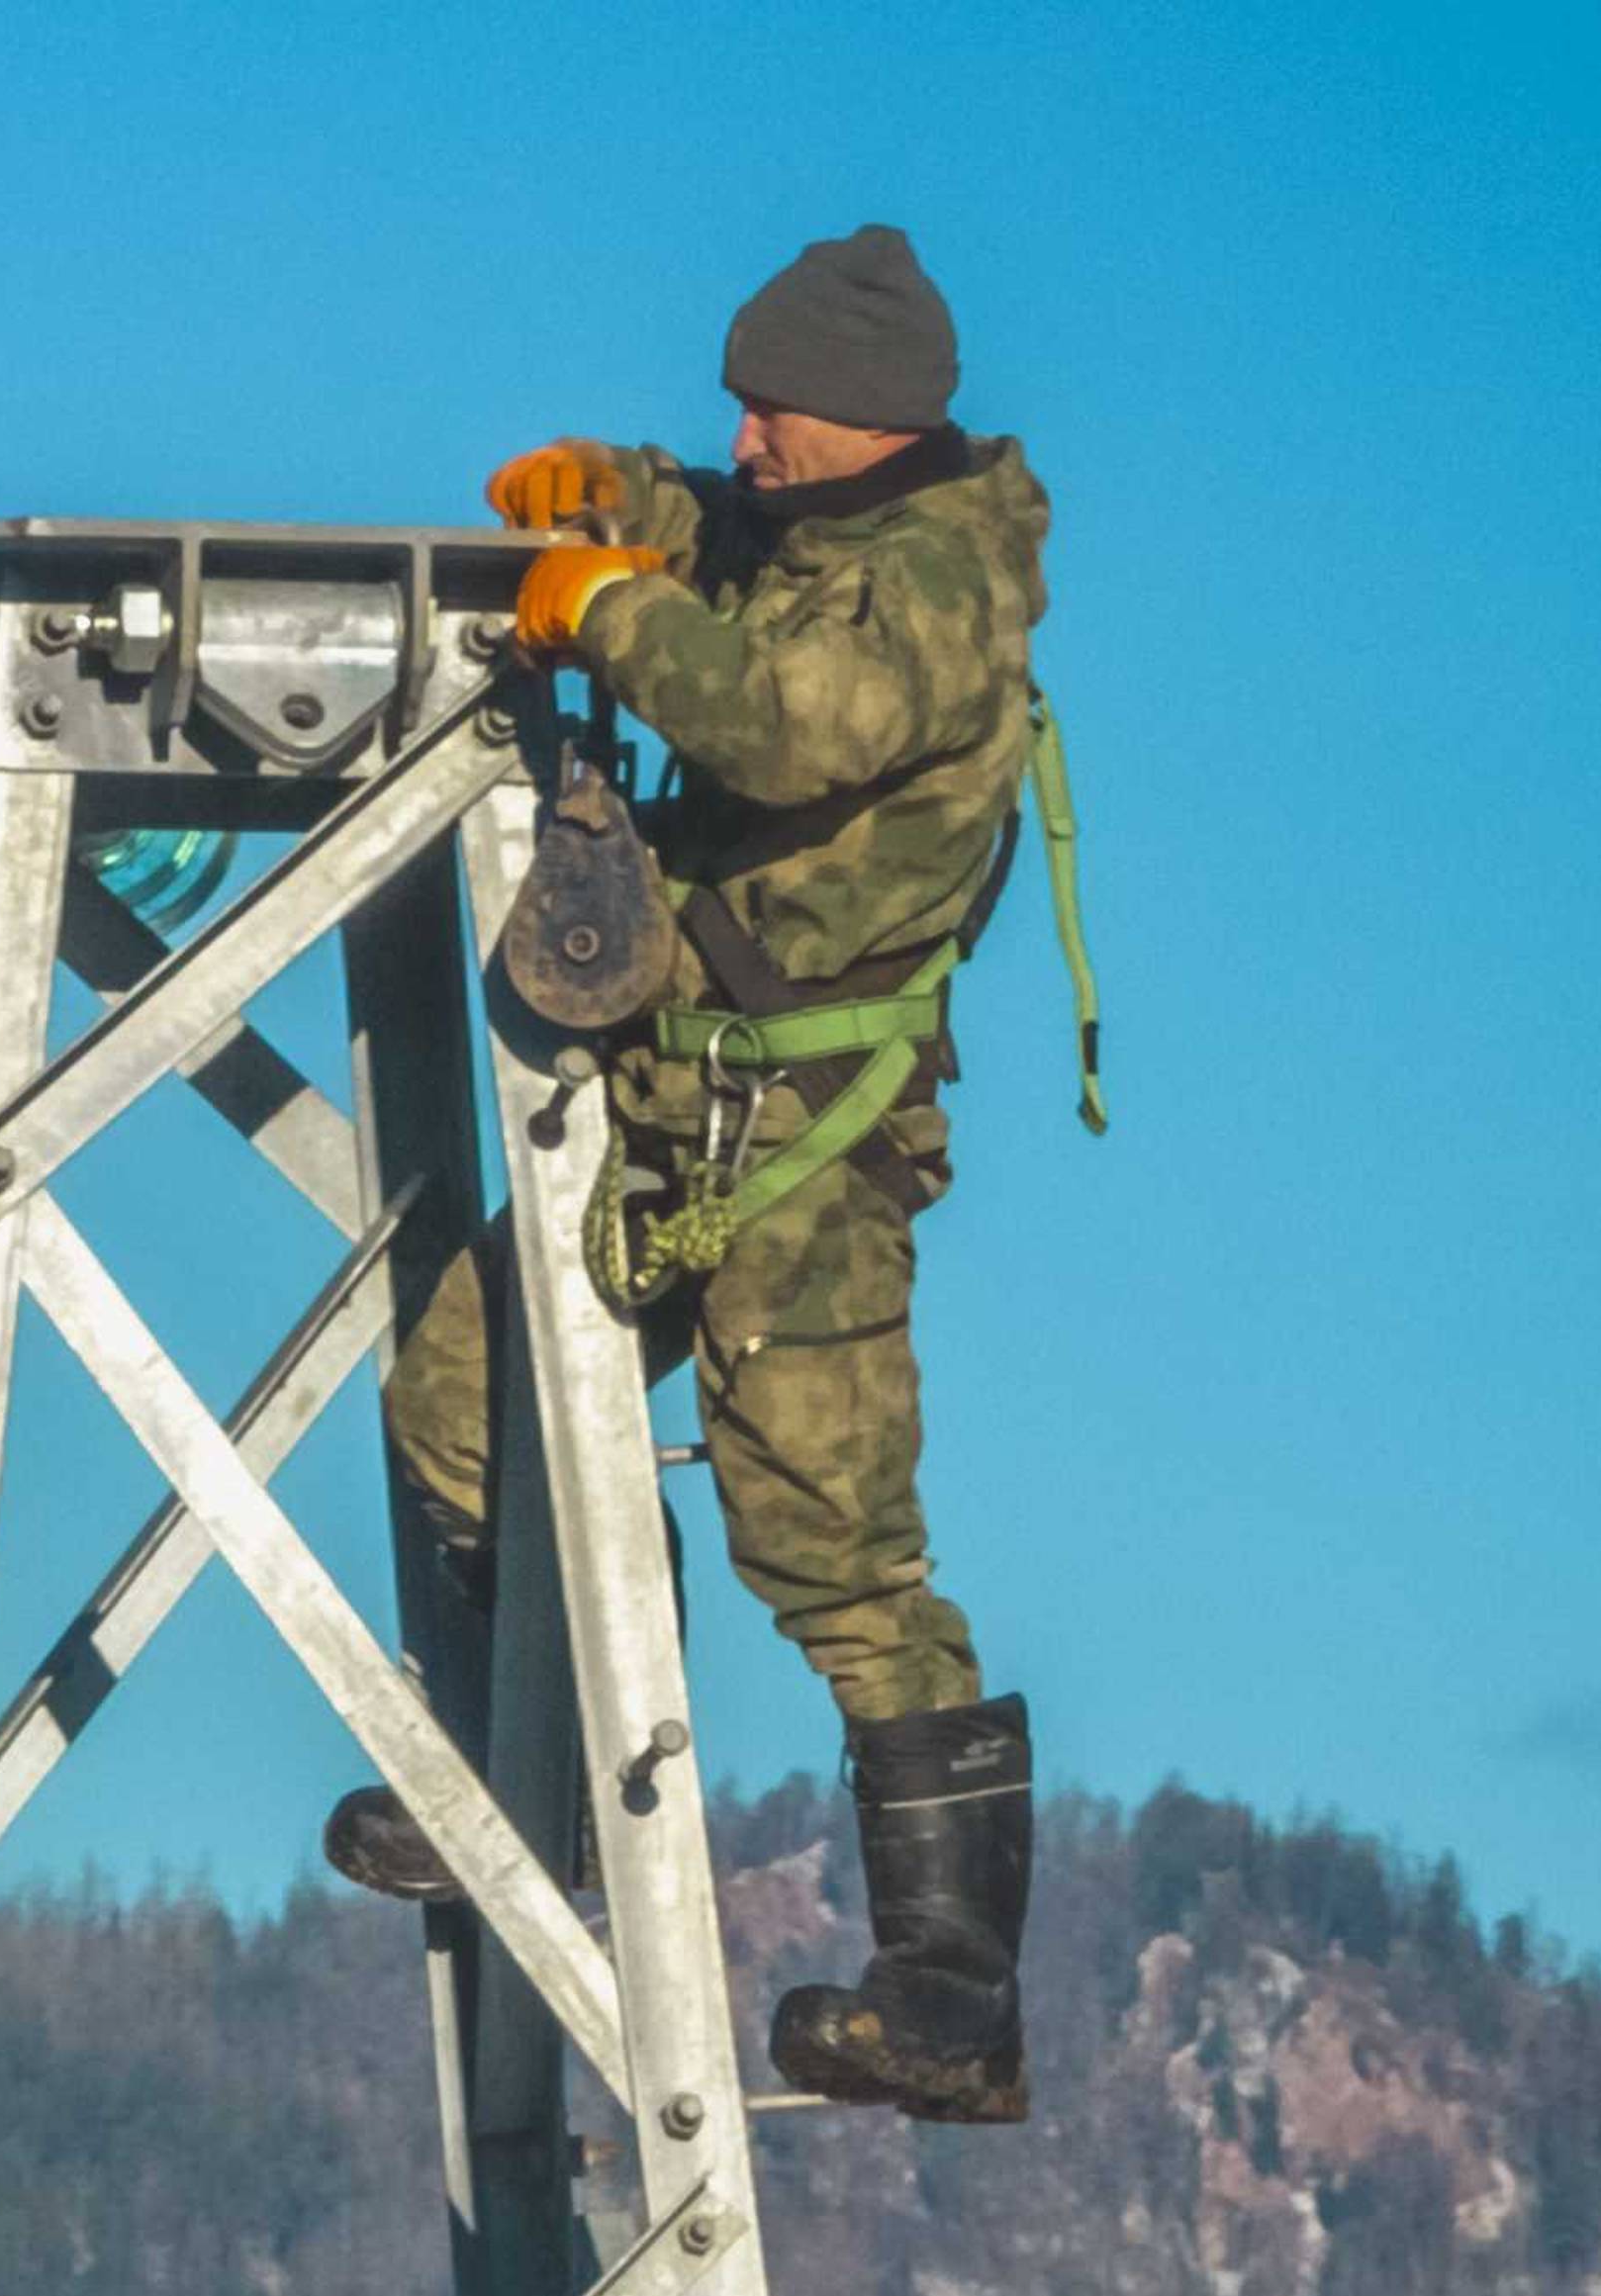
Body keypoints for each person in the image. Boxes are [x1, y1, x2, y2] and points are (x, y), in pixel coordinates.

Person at [337, 220, 1069, 2125]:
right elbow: (728, 549)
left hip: (806, 1140)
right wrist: (627, 503)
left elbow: (772, 711)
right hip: (678, 1098)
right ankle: (544, 1795)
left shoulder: (934, 586)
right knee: (462, 1389)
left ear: (872, 422)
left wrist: (604, 604)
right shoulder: (820, 528)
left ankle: (950, 1997)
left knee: (827, 1535)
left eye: (770, 413)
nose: (741, 435)